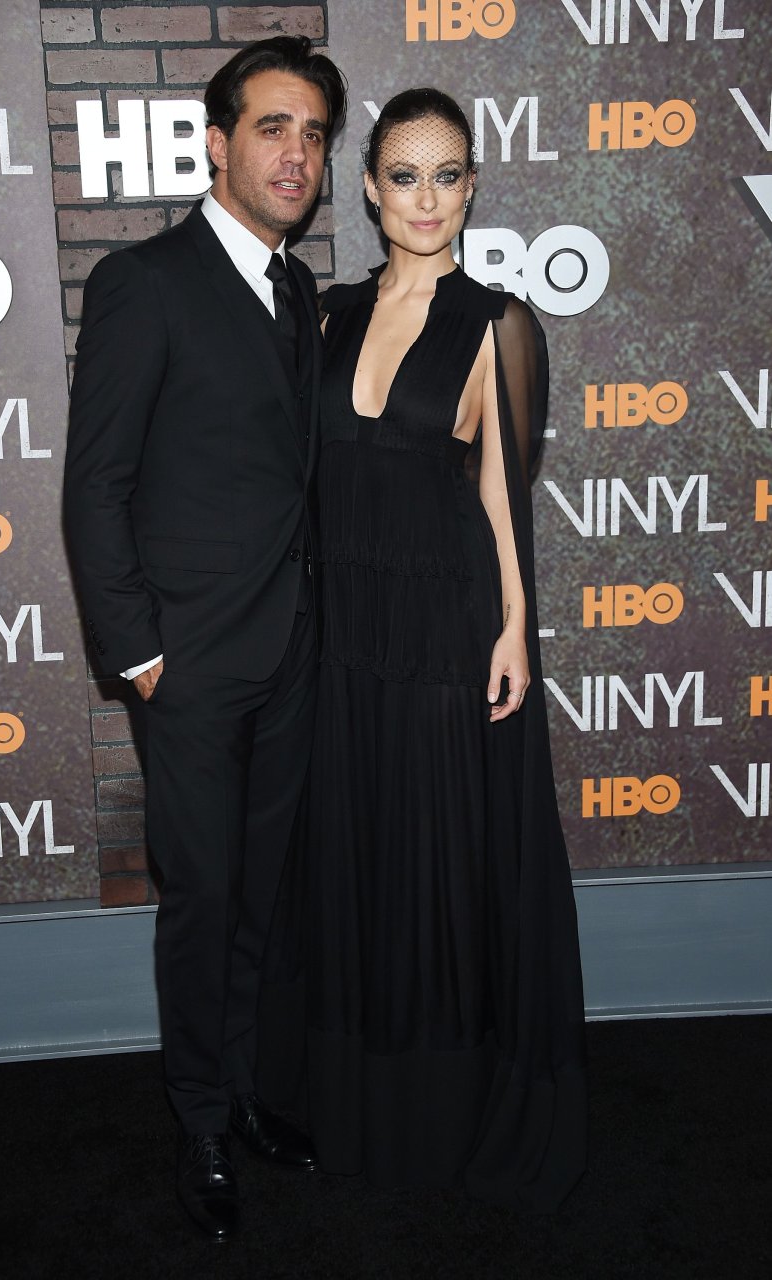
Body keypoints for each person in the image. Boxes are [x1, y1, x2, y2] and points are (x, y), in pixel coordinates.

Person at [63, 37, 347, 1242]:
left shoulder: (299, 293)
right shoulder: (146, 281)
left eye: (315, 134)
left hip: (292, 656)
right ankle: (198, 1123)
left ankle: (245, 1092)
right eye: (274, 127)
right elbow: (96, 484)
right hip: (189, 668)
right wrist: (140, 654)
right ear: (218, 143)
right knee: (203, 898)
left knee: (265, 896)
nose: (297, 153)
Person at [305, 88, 587, 1210]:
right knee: (356, 861)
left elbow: (503, 492)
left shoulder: (499, 322)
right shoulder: (326, 315)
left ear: (472, 186)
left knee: (432, 865)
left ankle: (438, 1117)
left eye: (448, 174)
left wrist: (515, 627)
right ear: (370, 189)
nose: (427, 199)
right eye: (404, 175)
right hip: (341, 634)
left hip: (441, 628)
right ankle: (351, 1106)